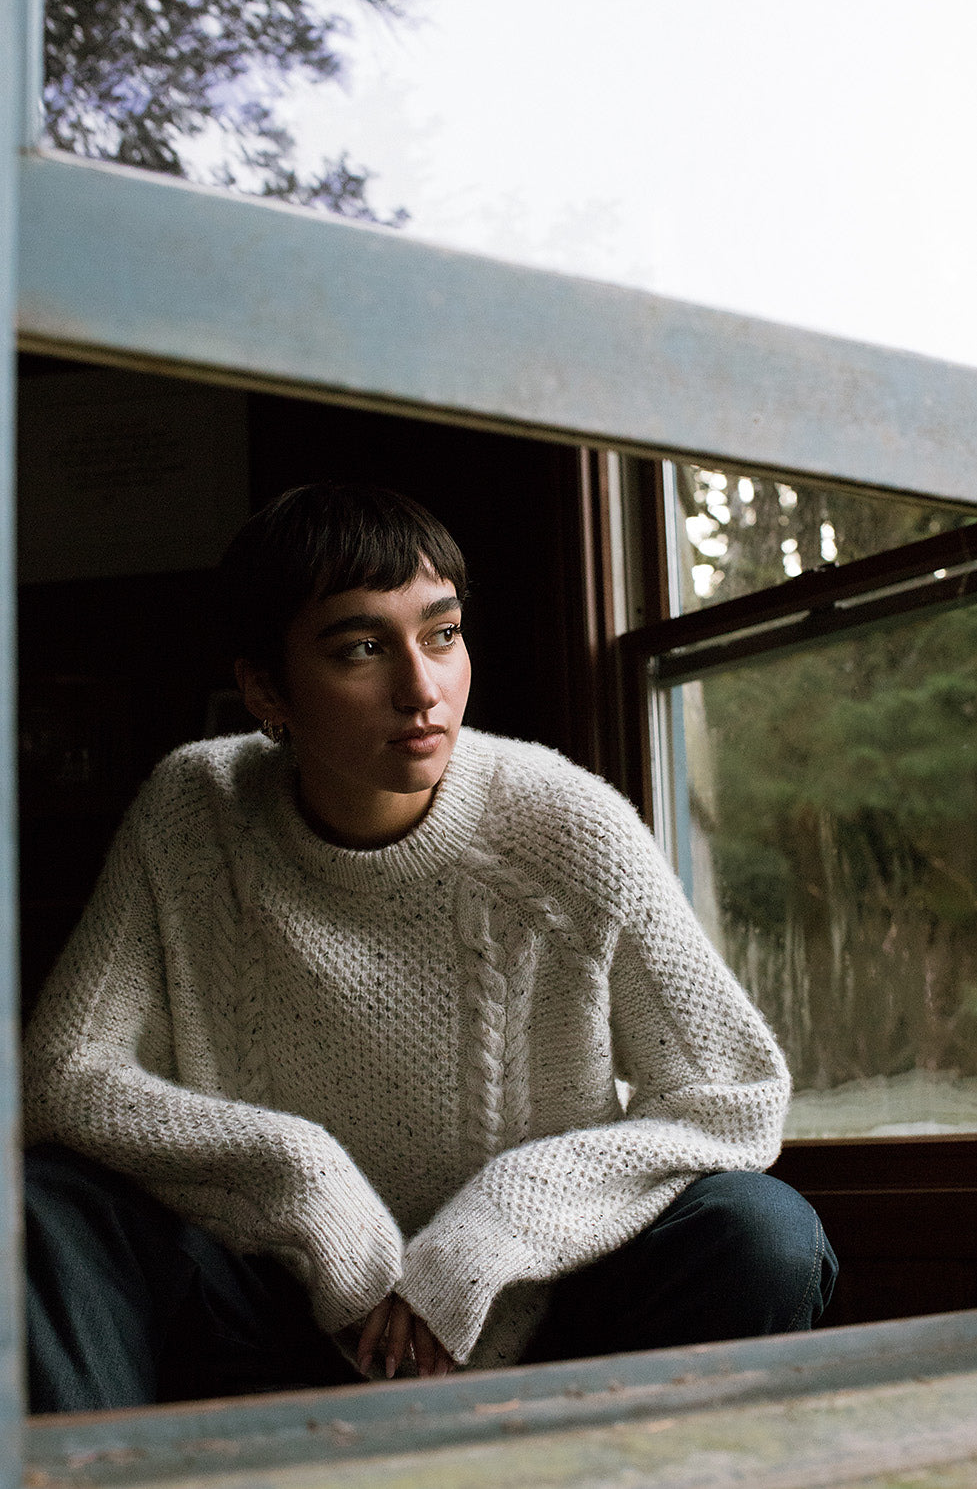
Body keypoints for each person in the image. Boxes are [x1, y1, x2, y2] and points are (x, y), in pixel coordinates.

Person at [22, 482, 837, 1413]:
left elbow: (731, 1098)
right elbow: (63, 1075)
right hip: (271, 1305)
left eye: (442, 634)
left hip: (546, 1310)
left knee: (762, 1232)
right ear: (265, 690)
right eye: (361, 648)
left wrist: (497, 1224)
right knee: (39, 1207)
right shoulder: (194, 812)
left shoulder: (569, 828)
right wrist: (300, 1178)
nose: (422, 689)